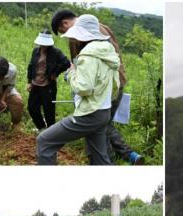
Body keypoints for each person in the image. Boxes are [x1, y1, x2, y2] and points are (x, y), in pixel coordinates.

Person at [51, 10, 144, 165]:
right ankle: (129, 156)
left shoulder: (79, 36)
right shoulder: (102, 27)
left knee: (97, 127)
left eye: (63, 31)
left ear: (65, 23)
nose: (68, 34)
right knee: (105, 123)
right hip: (116, 81)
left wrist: (71, 76)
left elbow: (80, 70)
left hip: (98, 87)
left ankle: (107, 162)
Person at [36, 15, 120, 165]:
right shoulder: (107, 51)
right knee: (100, 158)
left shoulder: (88, 55)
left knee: (44, 141)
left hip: (90, 113)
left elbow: (83, 88)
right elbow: (114, 84)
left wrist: (70, 74)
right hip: (103, 110)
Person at [27, 30, 70, 131]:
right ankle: (42, 128)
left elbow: (66, 63)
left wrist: (55, 73)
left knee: (49, 110)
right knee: (32, 108)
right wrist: (29, 81)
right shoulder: (36, 51)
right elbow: (31, 66)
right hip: (35, 84)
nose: (43, 45)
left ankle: (51, 132)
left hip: (48, 85)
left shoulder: (56, 52)